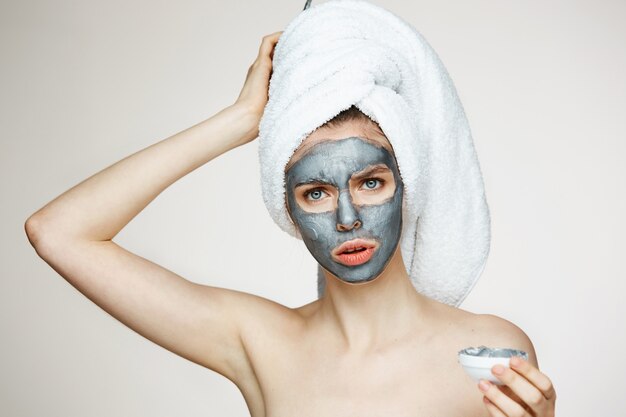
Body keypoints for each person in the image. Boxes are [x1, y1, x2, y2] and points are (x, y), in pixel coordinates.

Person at [25, 32, 556, 417]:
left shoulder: (488, 351)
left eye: (371, 183)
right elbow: (59, 231)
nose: (348, 219)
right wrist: (237, 122)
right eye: (317, 192)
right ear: (290, 211)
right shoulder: (261, 343)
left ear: (407, 185)